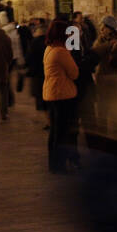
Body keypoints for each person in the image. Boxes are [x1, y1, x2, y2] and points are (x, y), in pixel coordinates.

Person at [43, 19, 80, 172]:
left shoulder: (50, 49)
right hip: (62, 94)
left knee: (55, 131)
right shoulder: (61, 51)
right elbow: (74, 73)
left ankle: (54, 164)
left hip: (52, 92)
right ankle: (59, 164)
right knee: (61, 132)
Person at [26, 19, 47, 112]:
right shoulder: (49, 42)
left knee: (39, 93)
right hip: (46, 71)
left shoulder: (35, 42)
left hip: (37, 72)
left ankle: (44, 112)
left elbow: (29, 57)